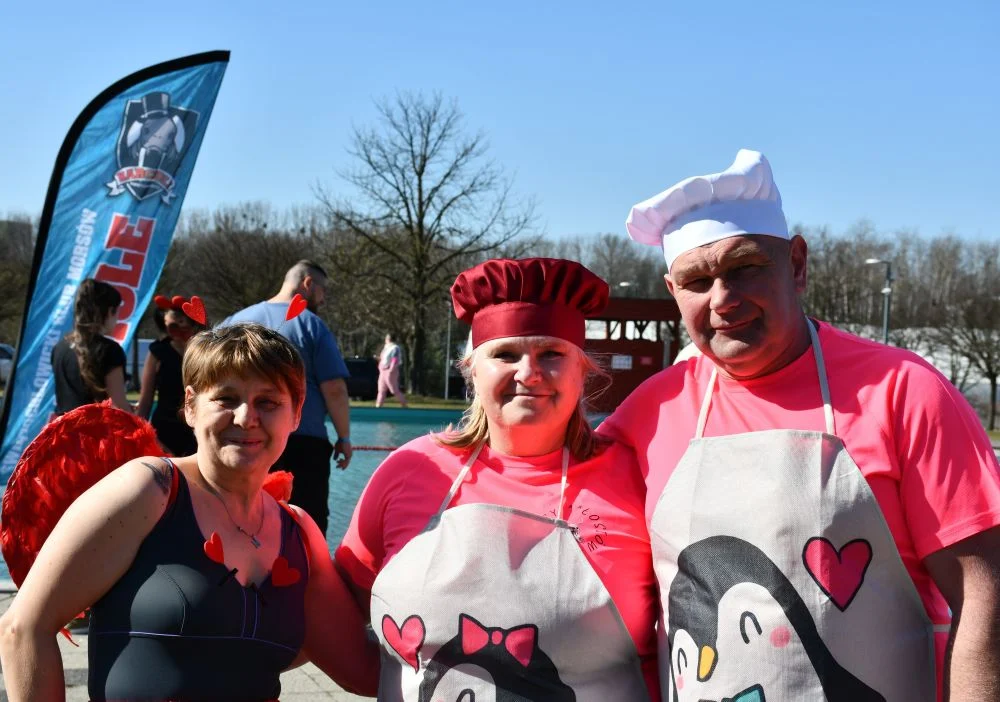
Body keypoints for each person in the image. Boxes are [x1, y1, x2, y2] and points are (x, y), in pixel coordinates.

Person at [603, 149, 1000, 700]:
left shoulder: (904, 392)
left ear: (796, 264)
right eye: (697, 281)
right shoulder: (647, 413)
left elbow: (985, 595)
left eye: (745, 267)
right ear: (673, 293)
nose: (723, 299)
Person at [336, 258, 660, 701]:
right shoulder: (410, 469)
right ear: (472, 369)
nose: (528, 373)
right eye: (505, 355)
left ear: (583, 369)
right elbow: (344, 610)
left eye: (552, 353)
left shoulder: (637, 476)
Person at [0, 323, 378, 700]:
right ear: (191, 406)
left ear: (296, 414)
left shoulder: (298, 532)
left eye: (268, 402)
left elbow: (362, 670)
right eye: (226, 398)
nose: (246, 418)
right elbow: (23, 629)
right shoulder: (150, 491)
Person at [222, 260, 351, 535]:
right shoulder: (311, 325)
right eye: (322, 291)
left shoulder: (235, 321)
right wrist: (344, 437)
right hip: (303, 443)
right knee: (306, 525)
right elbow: (335, 389)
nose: (323, 299)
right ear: (308, 284)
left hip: (243, 438)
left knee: (241, 521)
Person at [136, 295, 207, 455]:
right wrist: (141, 428)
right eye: (169, 324)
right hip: (164, 428)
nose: (175, 329)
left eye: (180, 322)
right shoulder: (158, 351)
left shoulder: (203, 350)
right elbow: (146, 398)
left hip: (197, 425)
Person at [50, 279, 132, 415]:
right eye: (117, 312)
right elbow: (119, 407)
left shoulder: (59, 348)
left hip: (64, 426)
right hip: (96, 426)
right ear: (109, 311)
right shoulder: (110, 350)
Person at [375, 332, 408, 408]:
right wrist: (378, 359)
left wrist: (391, 369)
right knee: (381, 390)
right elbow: (384, 358)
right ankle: (378, 406)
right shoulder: (386, 347)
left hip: (390, 371)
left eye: (386, 338)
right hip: (382, 371)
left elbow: (394, 359)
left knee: (394, 390)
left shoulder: (394, 348)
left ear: (389, 339)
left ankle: (405, 405)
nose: (385, 339)